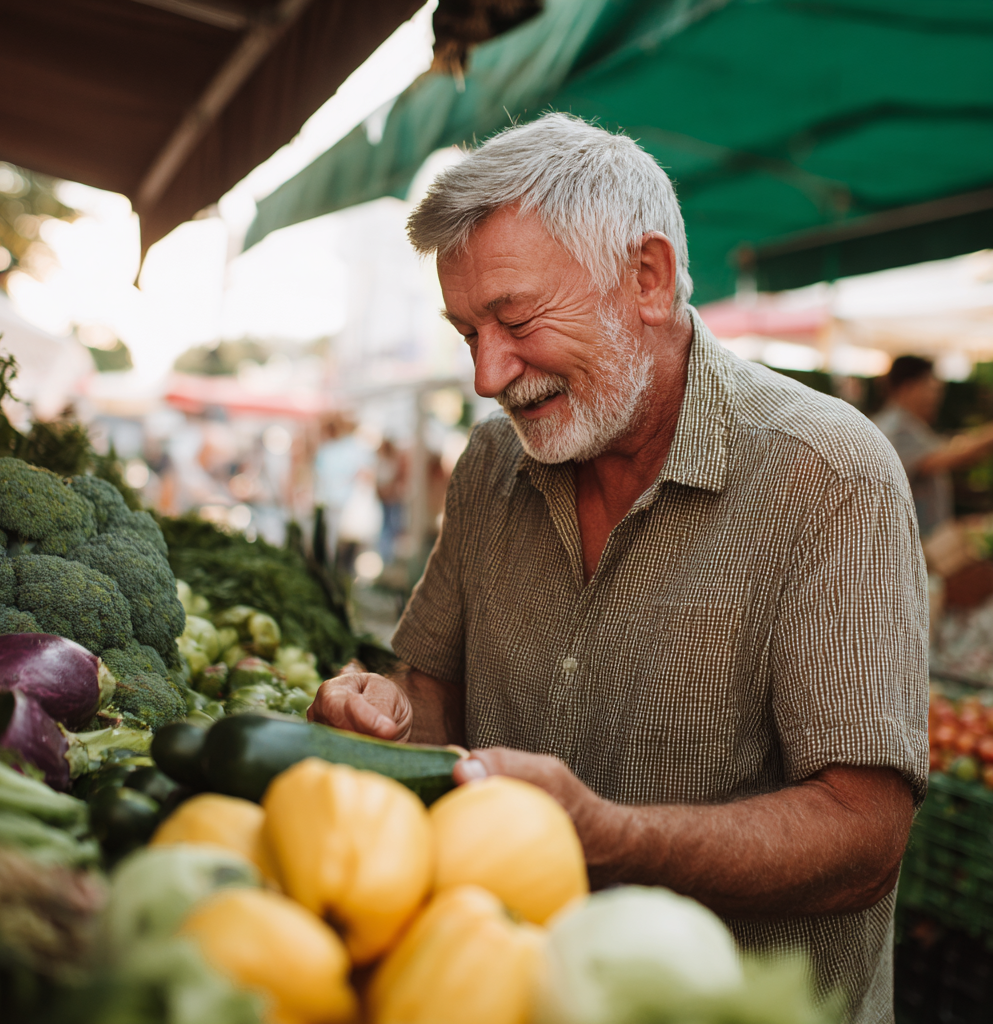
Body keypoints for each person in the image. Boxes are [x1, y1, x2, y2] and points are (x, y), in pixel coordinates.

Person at [310, 114, 927, 1023]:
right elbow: (431, 685)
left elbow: (863, 838)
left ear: (648, 278)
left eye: (514, 319)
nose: (486, 374)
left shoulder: (828, 476)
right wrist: (387, 721)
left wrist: (609, 836)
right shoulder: (490, 463)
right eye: (465, 330)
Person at [874, 355, 993, 538]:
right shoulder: (895, 429)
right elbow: (946, 456)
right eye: (931, 389)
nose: (936, 397)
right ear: (909, 387)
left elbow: (949, 446)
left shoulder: (910, 424)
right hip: (913, 543)